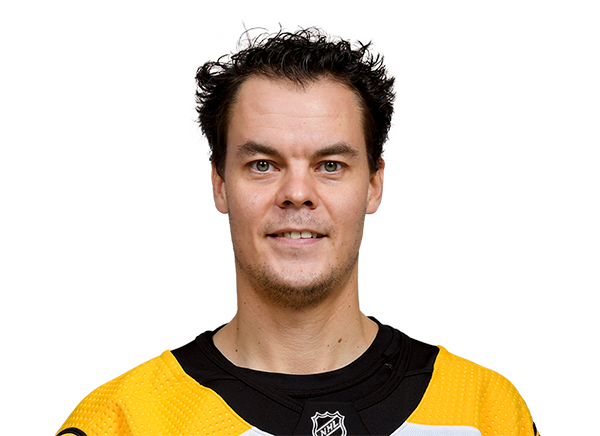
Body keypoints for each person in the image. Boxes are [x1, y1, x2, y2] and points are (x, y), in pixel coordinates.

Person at [57, 22, 536, 436]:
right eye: (263, 165)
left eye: (330, 165)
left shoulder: (484, 410)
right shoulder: (126, 420)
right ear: (221, 186)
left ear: (372, 186)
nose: (297, 192)